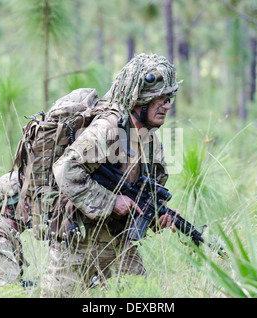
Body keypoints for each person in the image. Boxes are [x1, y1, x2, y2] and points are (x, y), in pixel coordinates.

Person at [40, 53, 180, 297]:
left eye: (169, 98)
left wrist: (158, 217)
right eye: (161, 98)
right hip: (78, 245)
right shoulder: (108, 128)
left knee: (144, 297)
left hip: (120, 244)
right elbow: (66, 169)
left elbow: (145, 195)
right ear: (140, 100)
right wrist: (111, 201)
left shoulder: (150, 141)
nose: (167, 105)